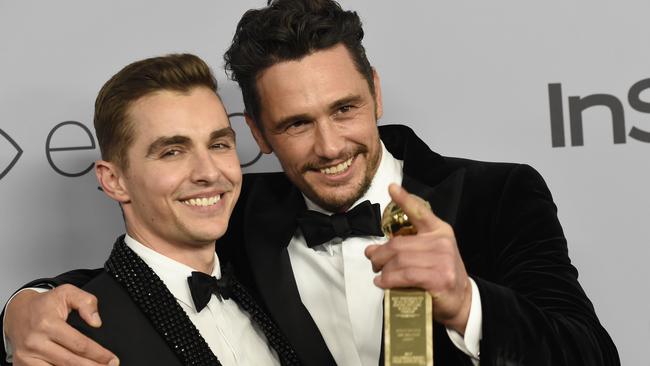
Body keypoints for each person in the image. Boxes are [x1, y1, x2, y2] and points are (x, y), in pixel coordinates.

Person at [2, 0, 620, 365]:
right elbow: (148, 274)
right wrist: (21, 306)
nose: (329, 147)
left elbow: (590, 355)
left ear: (375, 92)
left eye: (344, 109)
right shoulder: (237, 215)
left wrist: (468, 303)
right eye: (296, 123)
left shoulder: (497, 196)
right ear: (259, 133)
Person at [1, 53, 300, 365]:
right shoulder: (73, 339)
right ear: (114, 180)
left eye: (218, 145)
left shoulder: (269, 281)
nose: (209, 173)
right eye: (172, 152)